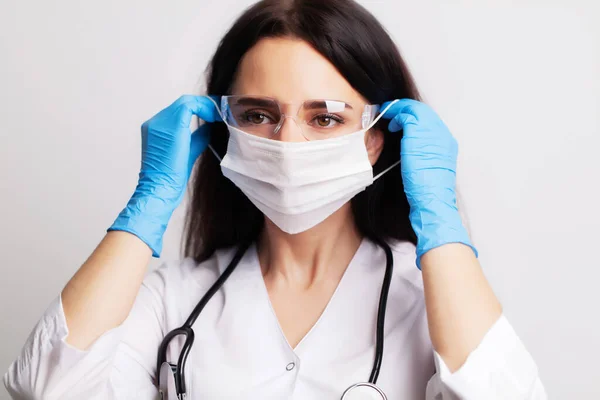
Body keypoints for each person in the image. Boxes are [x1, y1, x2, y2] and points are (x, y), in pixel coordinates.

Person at [4, 0, 547, 399]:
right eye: (259, 115)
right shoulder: (173, 299)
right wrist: (147, 206)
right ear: (225, 126)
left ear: (376, 135)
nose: (288, 144)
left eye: (325, 117)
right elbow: (45, 388)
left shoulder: (430, 300)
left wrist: (441, 225)